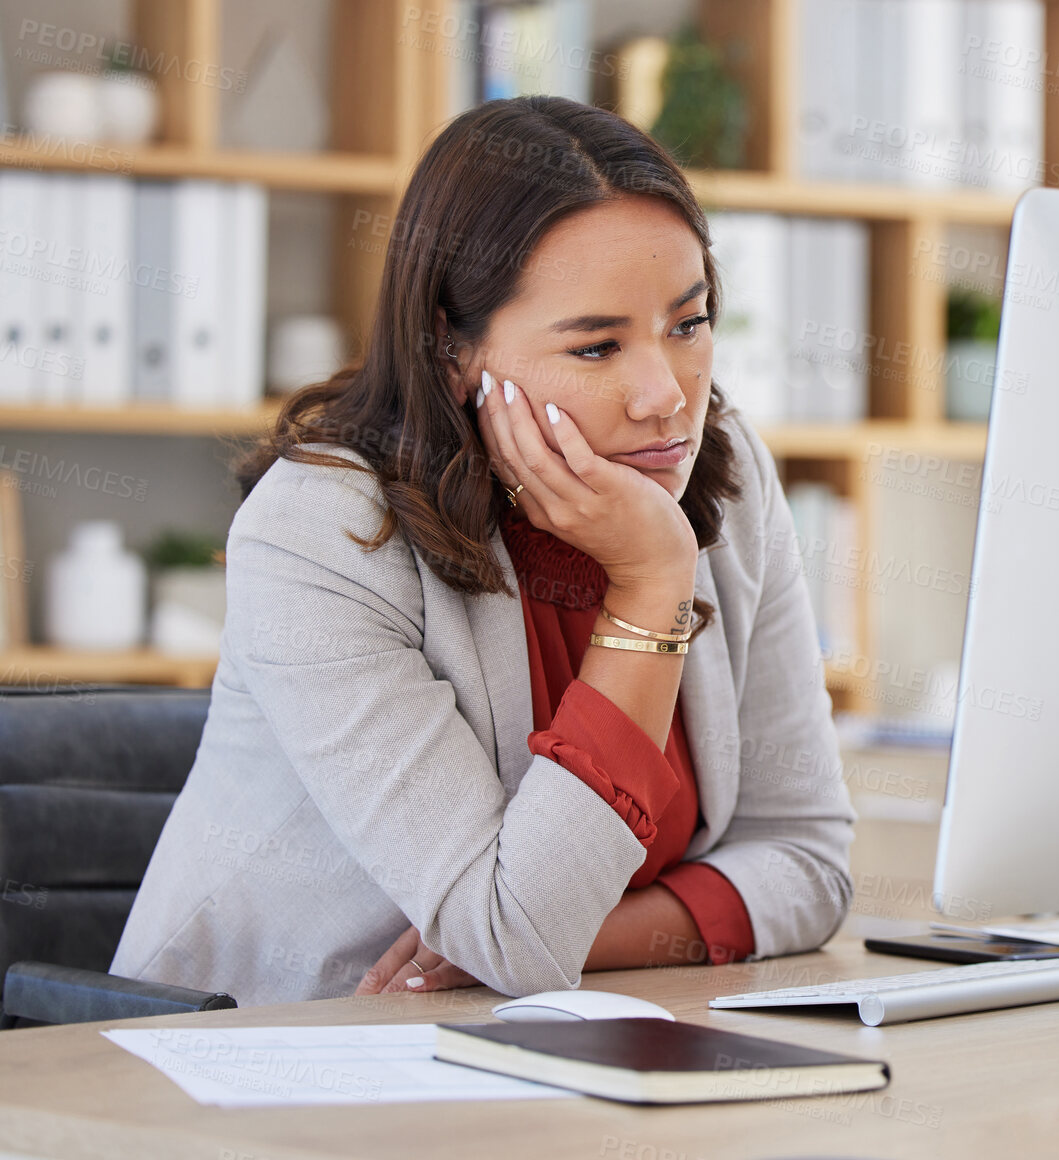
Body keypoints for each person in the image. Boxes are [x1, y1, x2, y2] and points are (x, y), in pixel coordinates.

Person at [109, 97, 856, 1004]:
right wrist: (651, 587)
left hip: (553, 1050)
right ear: (451, 349)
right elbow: (516, 935)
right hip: (278, 1065)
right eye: (595, 347)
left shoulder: (727, 477)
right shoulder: (318, 532)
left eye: (687, 325)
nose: (665, 397)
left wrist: (583, 941)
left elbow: (809, 862)